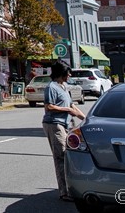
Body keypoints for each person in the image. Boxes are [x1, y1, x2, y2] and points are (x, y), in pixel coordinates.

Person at [43, 61, 85, 202]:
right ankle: (64, 192)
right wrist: (67, 110)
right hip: (54, 125)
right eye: (68, 73)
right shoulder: (51, 87)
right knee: (61, 157)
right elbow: (48, 107)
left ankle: (71, 188)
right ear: (61, 74)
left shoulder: (64, 87)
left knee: (69, 156)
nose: (70, 75)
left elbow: (72, 105)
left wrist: (86, 119)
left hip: (67, 124)